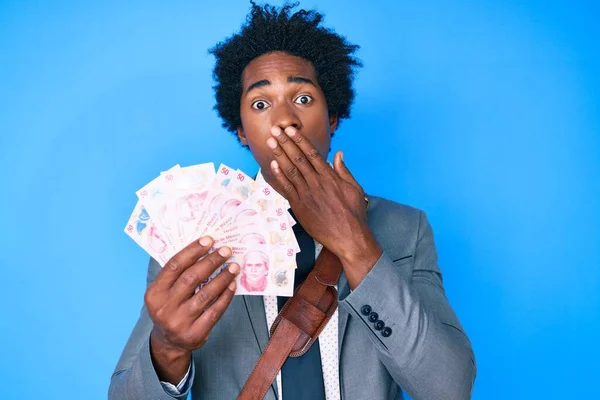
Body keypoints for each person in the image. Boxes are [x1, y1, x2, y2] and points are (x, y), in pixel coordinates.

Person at [109, 3, 477, 400]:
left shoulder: (404, 229)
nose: (285, 119)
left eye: (302, 98)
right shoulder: (189, 236)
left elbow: (449, 387)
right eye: (261, 104)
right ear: (241, 132)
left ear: (333, 117)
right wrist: (168, 349)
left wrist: (357, 246)